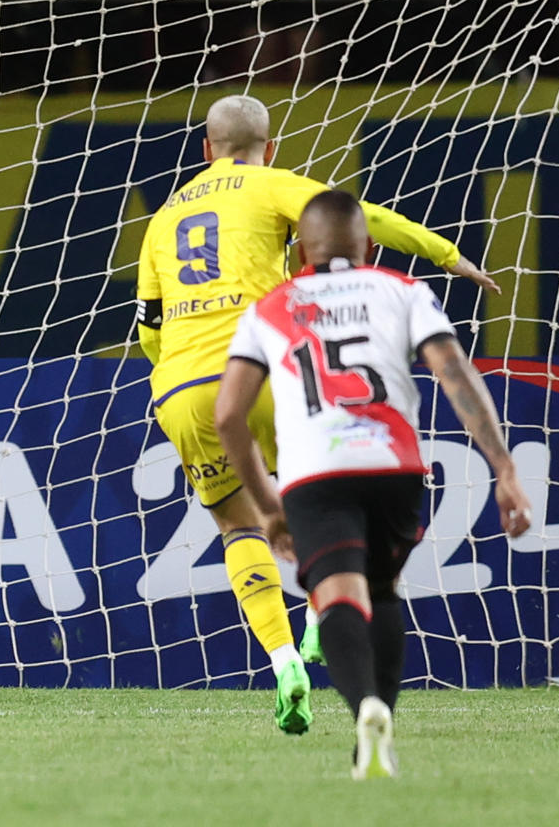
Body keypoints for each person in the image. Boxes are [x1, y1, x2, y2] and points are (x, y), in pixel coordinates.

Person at [133, 95, 497, 735]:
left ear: (204, 148)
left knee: (237, 526)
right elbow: (364, 217)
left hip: (186, 388)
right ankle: (315, 623)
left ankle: (280, 664)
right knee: (317, 499)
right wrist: (447, 255)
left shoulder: (161, 219)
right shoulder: (271, 183)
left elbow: (149, 328)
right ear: (266, 148)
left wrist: (176, 378)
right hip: (265, 371)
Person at [215, 189, 533, 779]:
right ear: (365, 243)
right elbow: (454, 372)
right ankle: (377, 732)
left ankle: (363, 705)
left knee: (336, 595)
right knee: (382, 590)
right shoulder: (402, 290)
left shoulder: (270, 308)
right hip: (396, 468)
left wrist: (267, 509)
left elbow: (229, 414)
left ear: (301, 249)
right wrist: (504, 469)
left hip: (316, 472)